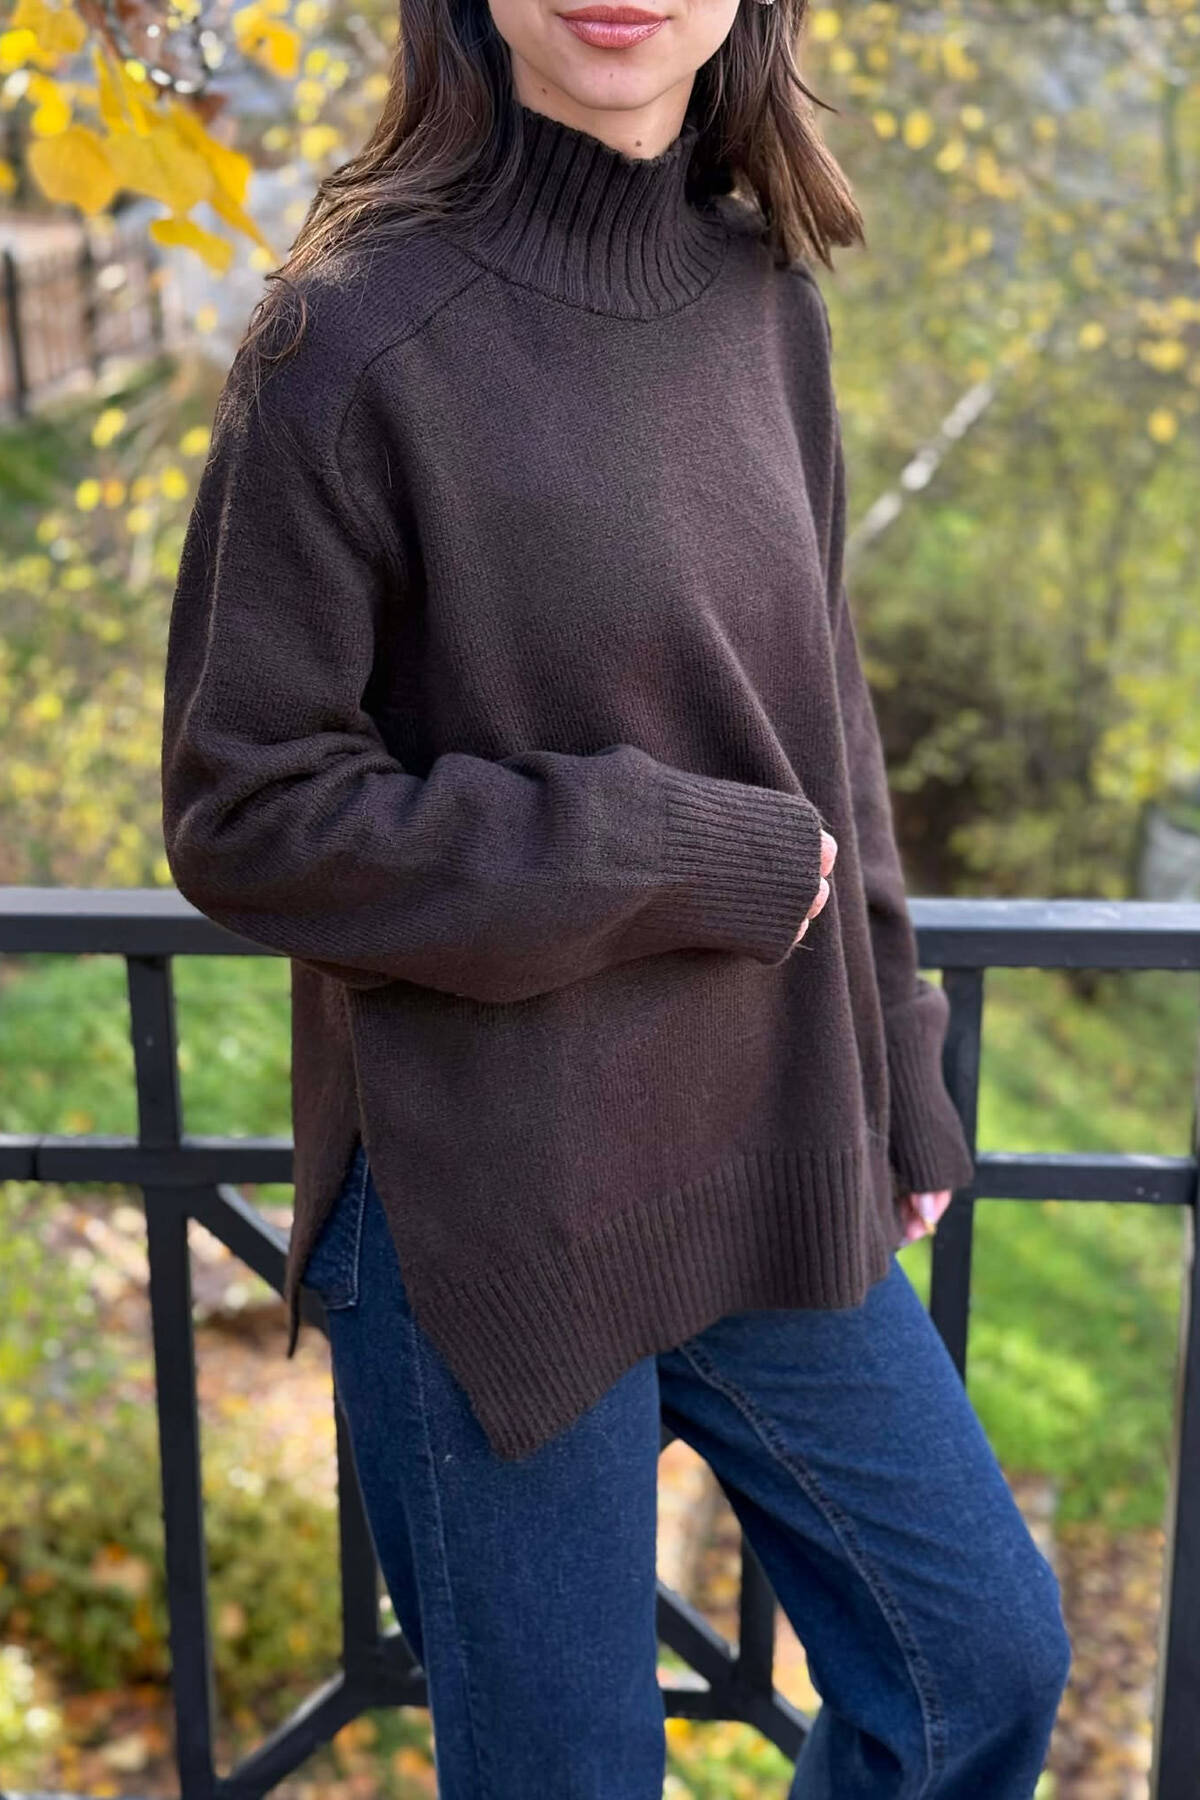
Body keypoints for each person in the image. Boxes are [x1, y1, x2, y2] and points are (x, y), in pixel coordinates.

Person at [159, 0, 1073, 1791]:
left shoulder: (763, 302)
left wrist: (899, 1057)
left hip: (768, 1139)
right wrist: (657, 850)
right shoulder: (347, 338)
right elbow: (246, 808)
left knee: (979, 1671)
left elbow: (827, 718)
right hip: (489, 1203)